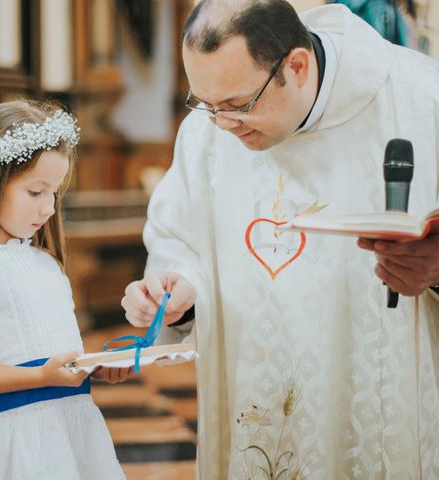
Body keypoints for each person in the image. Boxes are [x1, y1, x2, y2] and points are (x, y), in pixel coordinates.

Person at [121, 0, 439, 478]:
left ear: (297, 65)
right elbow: (178, 240)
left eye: (238, 105)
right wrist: (177, 292)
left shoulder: (419, 99)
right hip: (256, 396)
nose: (221, 124)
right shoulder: (207, 131)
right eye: (203, 104)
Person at [0, 100, 128, 480]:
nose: (49, 208)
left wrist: (88, 368)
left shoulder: (46, 263)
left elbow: (47, 353)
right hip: (13, 445)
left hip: (70, 432)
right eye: (36, 192)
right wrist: (41, 378)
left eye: (55, 194)